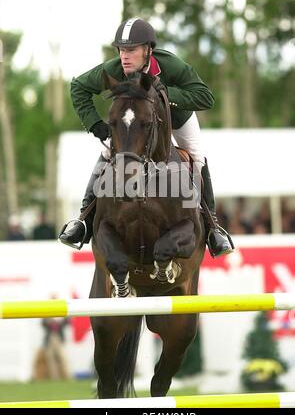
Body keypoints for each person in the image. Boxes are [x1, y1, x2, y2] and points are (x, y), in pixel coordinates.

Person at [59, 17, 234, 257]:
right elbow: (78, 87)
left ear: (148, 50)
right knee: (107, 152)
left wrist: (165, 93)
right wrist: (95, 124)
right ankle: (83, 221)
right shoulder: (114, 69)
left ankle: (214, 227)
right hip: (137, 126)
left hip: (176, 119)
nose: (124, 56)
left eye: (131, 50)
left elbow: (205, 97)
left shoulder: (169, 65)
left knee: (197, 157)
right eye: (121, 50)